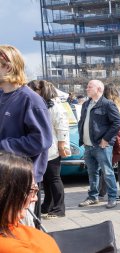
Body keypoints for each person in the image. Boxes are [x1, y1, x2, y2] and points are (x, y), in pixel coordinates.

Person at [0, 45, 52, 226]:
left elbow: (41, 140)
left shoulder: (30, 99)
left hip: (22, 183)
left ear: (7, 66)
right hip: (4, 177)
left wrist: (3, 146)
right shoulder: (2, 96)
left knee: (23, 234)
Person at [0, 152, 60, 252]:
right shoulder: (11, 247)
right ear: (5, 193)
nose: (35, 198)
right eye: (31, 190)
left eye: (36, 190)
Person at [28, 80, 70, 219]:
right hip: (42, 148)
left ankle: (59, 208)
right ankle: (47, 205)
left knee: (54, 179)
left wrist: (62, 145)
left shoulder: (54, 106)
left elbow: (62, 126)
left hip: (52, 148)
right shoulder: (40, 105)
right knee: (46, 180)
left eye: (33, 89)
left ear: (40, 91)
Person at [78, 80, 120, 209]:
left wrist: (106, 139)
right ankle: (93, 197)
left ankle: (112, 197)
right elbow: (83, 122)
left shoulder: (107, 104)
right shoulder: (86, 104)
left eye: (90, 86)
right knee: (92, 173)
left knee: (107, 172)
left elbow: (118, 122)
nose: (87, 89)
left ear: (99, 89)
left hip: (101, 146)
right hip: (88, 145)